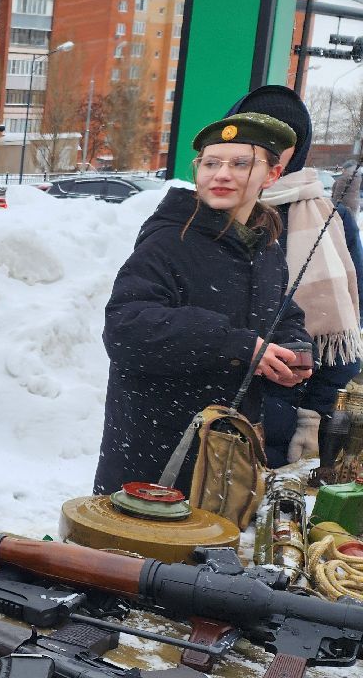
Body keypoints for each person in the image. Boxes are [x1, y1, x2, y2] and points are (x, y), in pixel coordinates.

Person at [94, 113, 311, 495]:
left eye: (240, 164)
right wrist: (236, 345)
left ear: (272, 175)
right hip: (155, 457)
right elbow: (126, 328)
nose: (221, 175)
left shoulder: (265, 246)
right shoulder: (168, 240)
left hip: (225, 458)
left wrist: (293, 349)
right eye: (211, 164)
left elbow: (281, 313)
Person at [225, 86, 363, 465]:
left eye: (283, 138)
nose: (269, 148)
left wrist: (313, 415)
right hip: (212, 409)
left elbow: (346, 332)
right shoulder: (209, 211)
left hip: (290, 416)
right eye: (257, 134)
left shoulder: (333, 220)